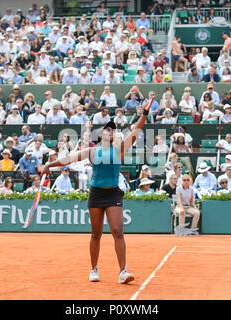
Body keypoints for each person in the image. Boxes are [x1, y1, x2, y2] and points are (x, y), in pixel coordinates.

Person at [41, 97, 155, 284]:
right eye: (107, 130)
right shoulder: (92, 152)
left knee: (118, 232)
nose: (111, 132)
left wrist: (145, 114)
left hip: (113, 194)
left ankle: (122, 272)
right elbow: (69, 158)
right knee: (96, 234)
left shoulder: (119, 149)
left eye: (113, 130)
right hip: (96, 194)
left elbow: (136, 129)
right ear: (101, 135)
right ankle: (94, 269)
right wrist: (50, 165)